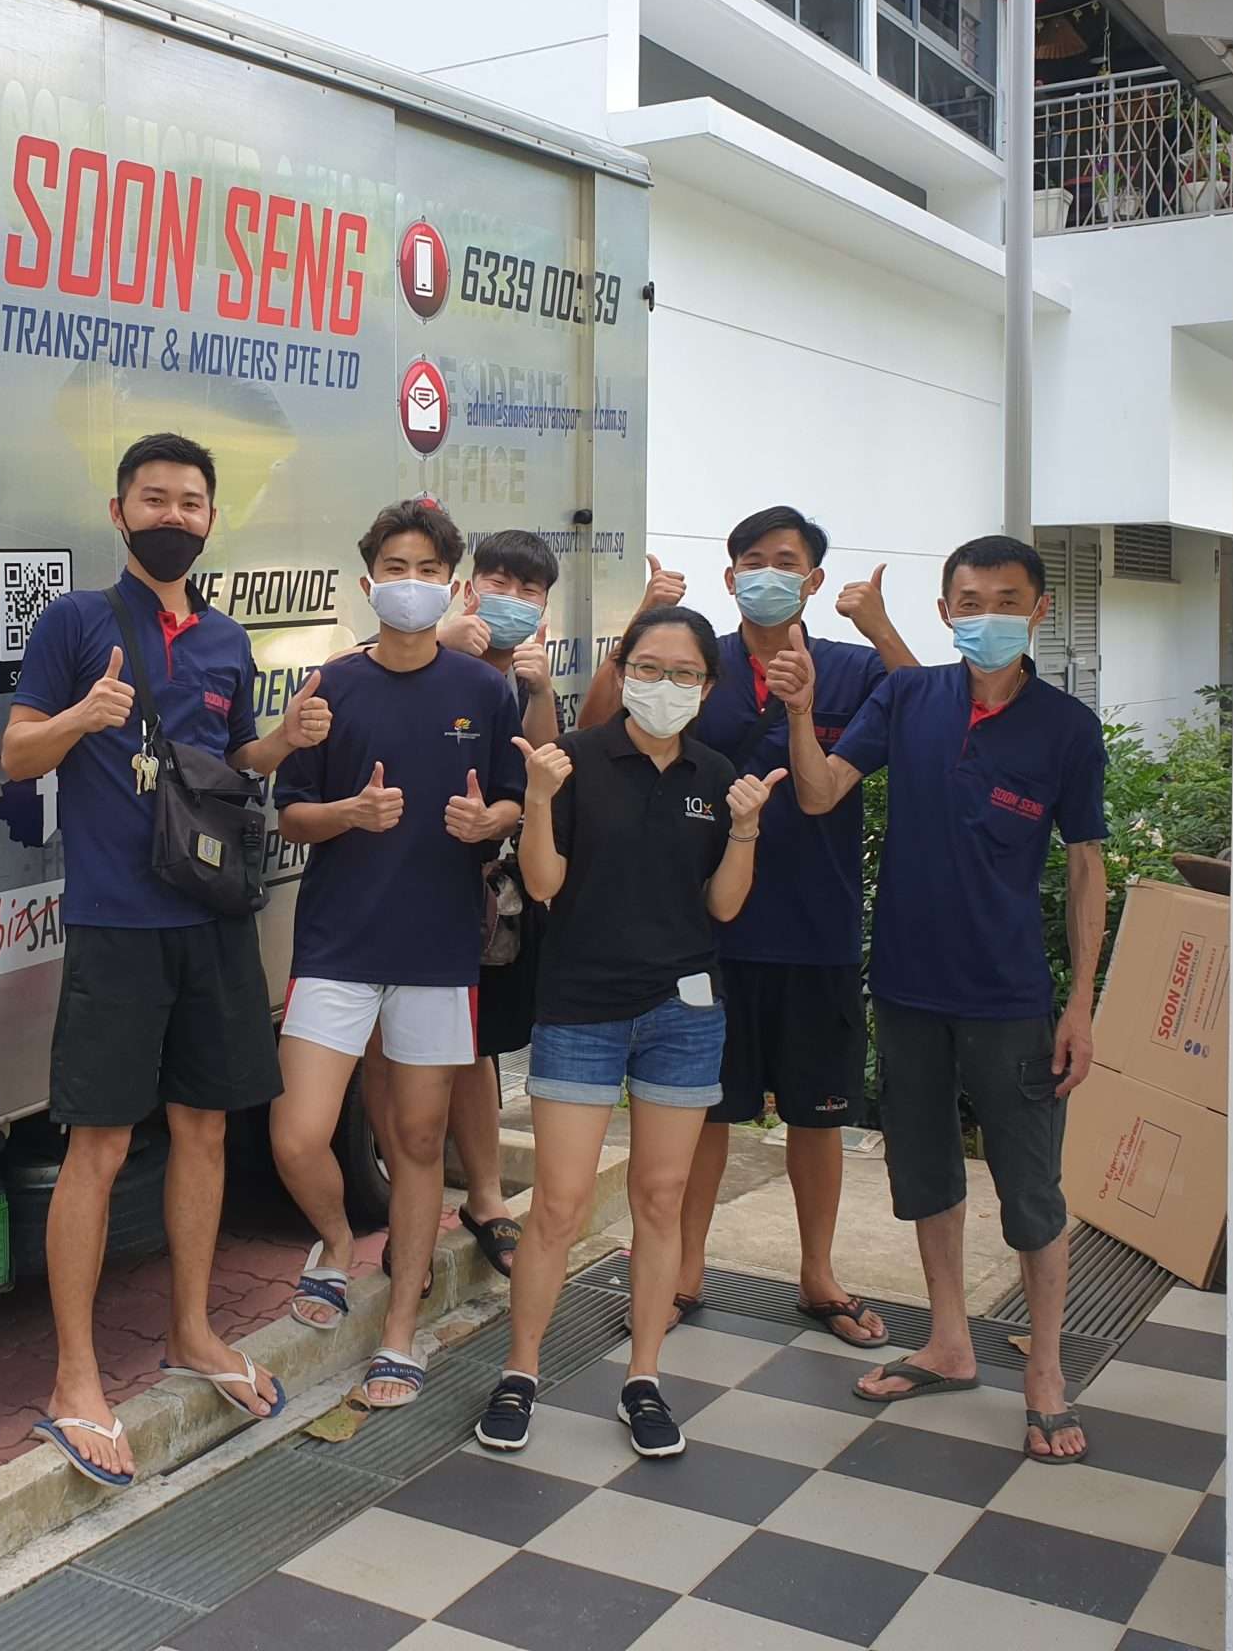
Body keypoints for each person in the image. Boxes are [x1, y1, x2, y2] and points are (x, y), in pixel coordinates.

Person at [1, 432, 331, 1487]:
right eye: (156, 498)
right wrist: (78, 718)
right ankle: (74, 1380)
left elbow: (221, 770)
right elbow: (13, 754)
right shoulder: (75, 623)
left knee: (203, 1128)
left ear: (210, 519)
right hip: (115, 922)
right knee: (96, 1148)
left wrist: (276, 750)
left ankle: (192, 1332)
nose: (174, 516)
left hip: (211, 919)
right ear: (117, 511)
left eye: (193, 503)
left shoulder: (229, 641)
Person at [779, 535, 1109, 1464]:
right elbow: (819, 792)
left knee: (1032, 1192)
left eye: (1006, 600)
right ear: (944, 609)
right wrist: (802, 712)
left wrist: (1081, 1002)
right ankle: (950, 1340)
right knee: (926, 1174)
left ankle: (1045, 1369)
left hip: (1011, 1000)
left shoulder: (1064, 729)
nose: (986, 615)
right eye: (969, 600)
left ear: (1039, 609)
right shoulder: (909, 696)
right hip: (909, 991)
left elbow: (1088, 869)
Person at [474, 608, 785, 1461]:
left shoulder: (716, 774)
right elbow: (541, 885)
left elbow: (723, 906)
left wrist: (749, 826)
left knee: (660, 1201)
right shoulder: (575, 764)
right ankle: (521, 1371)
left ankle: (643, 1377)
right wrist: (537, 799)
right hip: (580, 1009)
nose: (667, 685)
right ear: (623, 667)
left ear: (707, 687)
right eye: (651, 667)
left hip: (683, 1016)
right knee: (561, 1208)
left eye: (687, 674)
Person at [597, 510, 916, 1340]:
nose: (766, 572)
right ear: (730, 576)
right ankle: (683, 1271)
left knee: (818, 1115)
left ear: (813, 582)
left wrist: (878, 627)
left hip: (818, 928)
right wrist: (635, 621)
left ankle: (818, 1277)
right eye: (750, 560)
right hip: (705, 929)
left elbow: (930, 709)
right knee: (702, 1108)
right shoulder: (702, 662)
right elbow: (604, 725)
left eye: (786, 562)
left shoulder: (850, 668)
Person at [271, 502, 523, 1409]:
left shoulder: (486, 692)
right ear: (367, 578)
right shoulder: (330, 685)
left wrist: (490, 821)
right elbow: (290, 810)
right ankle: (338, 1245)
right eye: (393, 566)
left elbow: (513, 802)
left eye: (427, 569)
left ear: (452, 585)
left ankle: (400, 1333)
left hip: (437, 949)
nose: (409, 583)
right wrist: (347, 816)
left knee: (418, 1140)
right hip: (339, 941)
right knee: (297, 1133)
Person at [377, 529, 562, 1280]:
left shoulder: (522, 676)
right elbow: (355, 682)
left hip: (484, 893)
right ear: (466, 586)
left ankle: (485, 1199)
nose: (509, 600)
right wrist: (437, 639)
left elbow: (545, 772)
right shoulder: (421, 647)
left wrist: (542, 689)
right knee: (386, 1050)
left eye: (528, 590)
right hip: (390, 879)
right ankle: (406, 1208)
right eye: (497, 581)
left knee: (473, 1046)